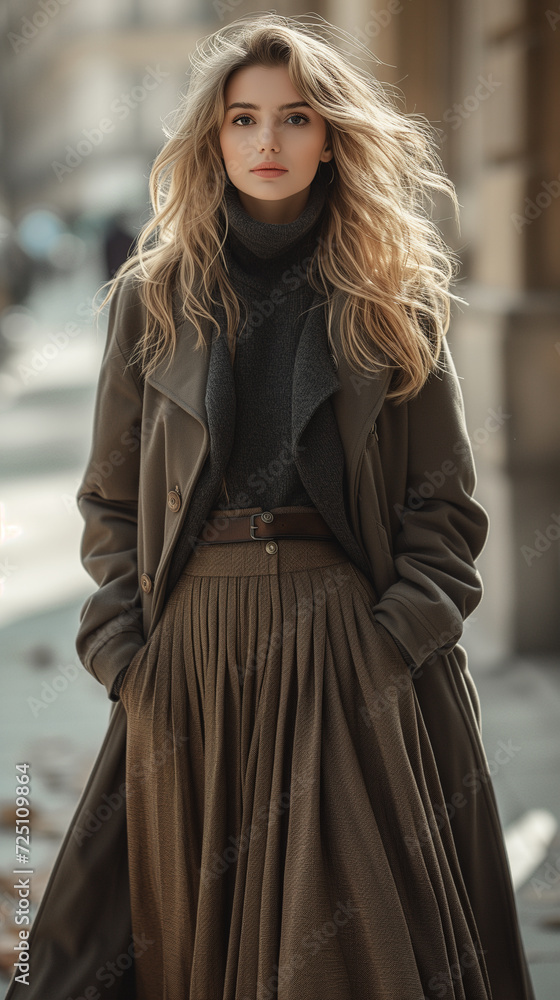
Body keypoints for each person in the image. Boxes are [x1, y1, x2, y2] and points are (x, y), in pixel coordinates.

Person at [5, 12, 535, 1000]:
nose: (266, 142)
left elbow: (446, 510)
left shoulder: (392, 297)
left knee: (345, 948)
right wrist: (125, 654)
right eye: (242, 119)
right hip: (190, 660)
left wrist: (390, 639)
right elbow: (108, 502)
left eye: (293, 118)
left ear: (330, 134)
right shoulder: (149, 299)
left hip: (347, 651)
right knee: (180, 944)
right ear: (213, 137)